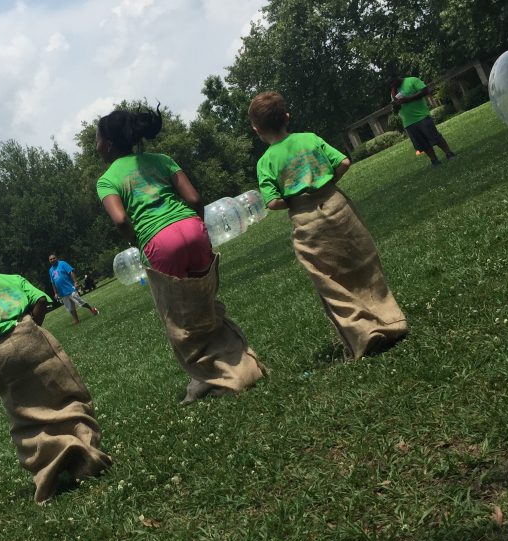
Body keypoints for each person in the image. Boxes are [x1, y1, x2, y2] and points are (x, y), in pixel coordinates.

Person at [95, 105, 265, 404]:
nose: (96, 145)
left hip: (159, 241)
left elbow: (121, 220)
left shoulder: (107, 180)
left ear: (108, 143)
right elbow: (194, 198)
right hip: (192, 227)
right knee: (205, 304)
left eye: (97, 139)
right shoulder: (162, 160)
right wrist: (197, 226)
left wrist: (141, 242)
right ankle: (238, 362)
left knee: (179, 320)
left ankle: (208, 378)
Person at [249, 91, 408, 360]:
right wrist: (328, 184)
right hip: (337, 204)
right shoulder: (309, 139)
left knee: (329, 279)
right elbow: (344, 161)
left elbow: (273, 202)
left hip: (306, 219)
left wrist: (295, 200)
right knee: (364, 263)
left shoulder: (265, 162)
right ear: (287, 117)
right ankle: (392, 320)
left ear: (257, 129)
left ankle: (364, 333)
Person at [0, 235, 111, 503]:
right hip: (30, 335)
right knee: (64, 392)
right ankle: (83, 446)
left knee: (24, 411)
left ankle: (50, 465)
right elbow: (41, 299)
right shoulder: (11, 278)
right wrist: (33, 324)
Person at [386, 73, 456, 167]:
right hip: (408, 122)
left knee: (435, 137)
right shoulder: (393, 92)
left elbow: (425, 91)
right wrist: (395, 107)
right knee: (422, 144)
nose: (392, 85)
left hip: (421, 116)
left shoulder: (412, 80)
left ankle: (449, 153)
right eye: (390, 84)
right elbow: (396, 109)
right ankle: (434, 160)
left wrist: (409, 99)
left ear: (398, 76)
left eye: (393, 82)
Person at [48, 254, 99, 325]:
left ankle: (91, 308)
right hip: (62, 292)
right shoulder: (50, 270)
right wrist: (55, 293)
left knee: (79, 301)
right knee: (70, 307)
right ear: (49, 261)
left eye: (53, 258)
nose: (52, 260)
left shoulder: (62, 263)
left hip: (70, 288)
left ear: (56, 258)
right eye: (50, 259)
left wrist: (75, 282)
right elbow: (53, 282)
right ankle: (76, 320)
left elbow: (71, 272)